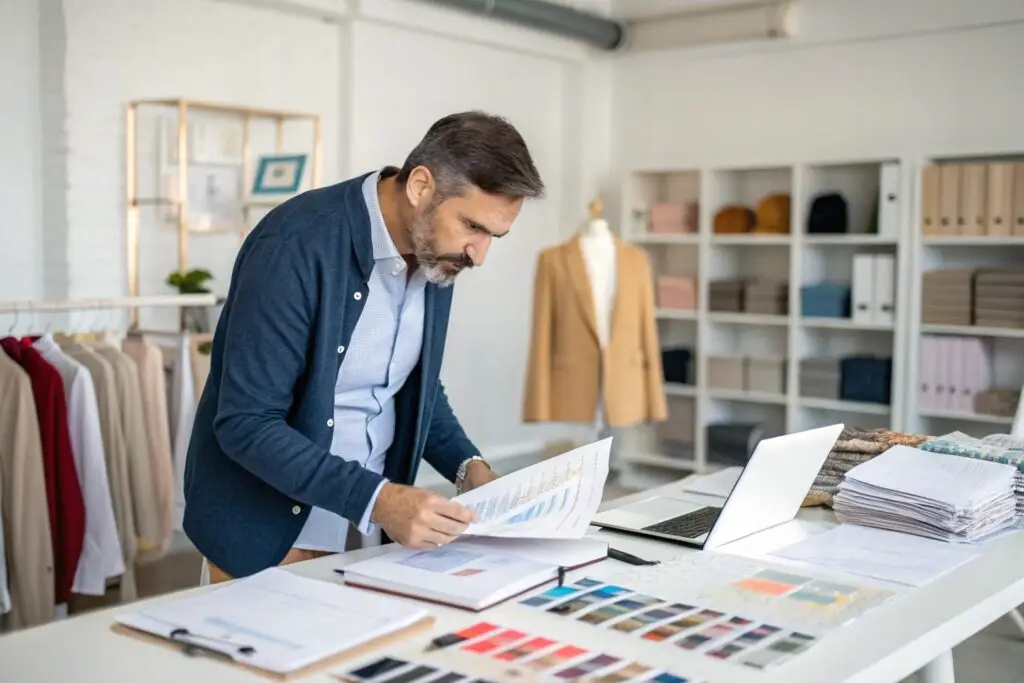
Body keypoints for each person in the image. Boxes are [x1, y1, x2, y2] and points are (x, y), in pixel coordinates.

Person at [183, 112, 545, 583]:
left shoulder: (438, 254)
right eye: (472, 227)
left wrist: (468, 467)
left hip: (370, 537)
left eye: (493, 237)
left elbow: (414, 386)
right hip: (270, 541)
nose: (479, 254)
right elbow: (246, 423)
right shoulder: (294, 245)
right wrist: (379, 500)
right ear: (420, 186)